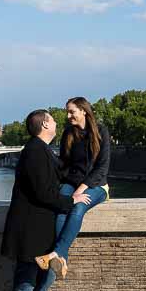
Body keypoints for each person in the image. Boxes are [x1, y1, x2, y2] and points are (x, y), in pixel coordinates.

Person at [0, 108, 91, 291]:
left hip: (39, 229)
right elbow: (43, 194)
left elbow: (62, 173)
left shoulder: (42, 150)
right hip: (29, 230)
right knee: (25, 284)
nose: (57, 122)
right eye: (52, 119)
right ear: (45, 124)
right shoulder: (34, 152)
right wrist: (73, 201)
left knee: (41, 280)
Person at [34, 96, 111, 280]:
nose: (68, 116)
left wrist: (81, 189)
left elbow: (102, 167)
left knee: (78, 207)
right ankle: (61, 261)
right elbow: (64, 164)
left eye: (72, 111)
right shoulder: (69, 133)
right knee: (61, 208)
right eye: (67, 112)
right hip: (71, 182)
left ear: (84, 111)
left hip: (97, 185)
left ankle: (56, 254)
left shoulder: (101, 131)